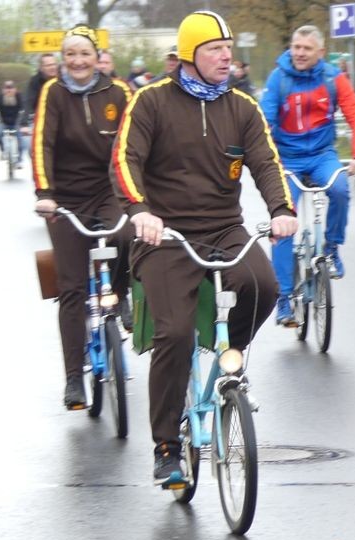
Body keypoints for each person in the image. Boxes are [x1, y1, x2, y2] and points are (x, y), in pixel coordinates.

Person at [113, 10, 298, 486]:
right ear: (190, 55)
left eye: (228, 49)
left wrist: (281, 208)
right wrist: (139, 211)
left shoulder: (241, 107)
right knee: (173, 335)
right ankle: (166, 446)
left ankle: (227, 363)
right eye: (215, 49)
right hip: (166, 234)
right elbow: (125, 159)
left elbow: (266, 160)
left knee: (263, 285)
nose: (225, 57)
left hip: (223, 229)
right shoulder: (151, 101)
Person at [33, 25, 135, 410]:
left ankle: (120, 295)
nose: (77, 61)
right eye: (70, 54)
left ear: (97, 57)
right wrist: (45, 194)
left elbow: (135, 143)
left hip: (108, 191)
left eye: (84, 54)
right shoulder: (53, 93)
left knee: (127, 236)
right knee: (72, 287)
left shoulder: (119, 92)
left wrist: (141, 191)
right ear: (63, 59)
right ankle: (74, 378)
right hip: (65, 200)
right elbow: (41, 143)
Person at [259, 24, 355, 325]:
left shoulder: (334, 78)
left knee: (340, 189)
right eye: (296, 47)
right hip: (288, 159)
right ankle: (283, 299)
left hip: (322, 156)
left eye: (306, 48)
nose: (299, 53)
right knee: (283, 223)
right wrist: (263, 155)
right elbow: (264, 120)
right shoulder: (279, 78)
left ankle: (331, 248)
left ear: (320, 52)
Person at [0, 80, 30, 168]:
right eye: (6, 88)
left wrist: (24, 116)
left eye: (11, 88)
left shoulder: (19, 97)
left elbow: (24, 107)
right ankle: (3, 151)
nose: (9, 91)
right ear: (3, 90)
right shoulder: (0, 97)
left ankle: (19, 160)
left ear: (15, 89)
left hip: (16, 122)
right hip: (3, 122)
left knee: (22, 140)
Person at [25, 53, 59, 120]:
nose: (53, 67)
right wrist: (24, 122)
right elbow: (29, 101)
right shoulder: (35, 81)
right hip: (42, 117)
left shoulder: (63, 79)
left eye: (54, 64)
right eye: (48, 65)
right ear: (41, 68)